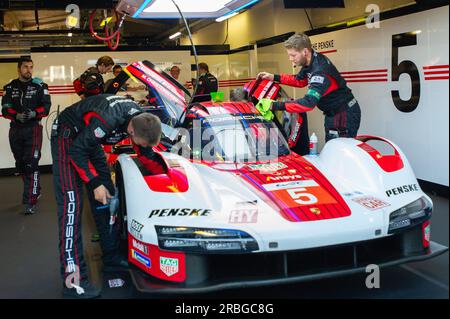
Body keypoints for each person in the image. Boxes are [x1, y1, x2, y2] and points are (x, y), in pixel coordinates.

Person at [51, 94, 166, 298]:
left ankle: (111, 255)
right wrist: (94, 183)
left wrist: (165, 181)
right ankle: (73, 281)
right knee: (72, 205)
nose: (143, 146)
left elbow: (146, 152)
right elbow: (77, 151)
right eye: (140, 142)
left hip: (88, 140)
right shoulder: (109, 119)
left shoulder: (142, 120)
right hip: (68, 136)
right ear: (131, 131)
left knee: (109, 197)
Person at [257, 33, 361, 142]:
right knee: (333, 148)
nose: (290, 59)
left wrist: (274, 105)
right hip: (334, 113)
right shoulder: (310, 62)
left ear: (305, 51)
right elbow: (300, 80)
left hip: (344, 115)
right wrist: (273, 77)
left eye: (293, 55)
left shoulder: (319, 70)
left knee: (338, 152)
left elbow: (308, 103)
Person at [1, 57, 51, 215]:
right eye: (25, 67)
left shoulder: (40, 86)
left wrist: (36, 113)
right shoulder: (9, 87)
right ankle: (35, 189)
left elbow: (46, 107)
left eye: (31, 67)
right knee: (21, 164)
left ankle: (30, 200)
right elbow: (5, 108)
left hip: (33, 129)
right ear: (19, 69)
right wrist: (15, 116)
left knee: (31, 163)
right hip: (15, 130)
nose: (29, 70)